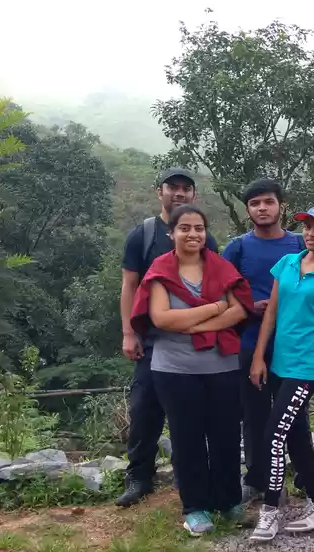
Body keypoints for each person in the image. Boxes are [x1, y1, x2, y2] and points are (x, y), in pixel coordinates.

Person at [129, 204, 253, 535]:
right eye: (185, 228)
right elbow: (162, 319)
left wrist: (194, 325)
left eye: (199, 228)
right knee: (187, 438)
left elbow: (238, 311)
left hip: (222, 365)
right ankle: (195, 507)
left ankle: (228, 501)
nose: (193, 234)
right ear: (172, 233)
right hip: (174, 367)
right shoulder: (160, 269)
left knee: (226, 435)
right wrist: (214, 309)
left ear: (205, 232)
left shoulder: (220, 267)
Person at [247, 204, 314, 541]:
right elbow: (272, 313)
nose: (311, 233)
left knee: (273, 435)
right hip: (277, 362)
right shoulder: (288, 264)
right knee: (295, 436)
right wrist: (258, 357)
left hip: (305, 368)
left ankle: (271, 511)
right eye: (307, 227)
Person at [117, 168, 219, 508]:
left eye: (185, 189)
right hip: (151, 339)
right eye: (172, 187)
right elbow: (129, 286)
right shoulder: (143, 235)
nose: (179, 193)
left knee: (191, 412)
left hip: (191, 342)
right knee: (146, 408)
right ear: (158, 191)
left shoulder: (205, 239)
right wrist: (129, 332)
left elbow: (214, 284)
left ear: (194, 196)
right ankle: (139, 477)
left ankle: (186, 475)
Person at [222, 178, 305, 504]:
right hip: (250, 342)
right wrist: (246, 308)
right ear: (248, 210)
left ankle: (303, 474)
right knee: (254, 415)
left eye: (268, 202)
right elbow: (222, 291)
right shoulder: (237, 247)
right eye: (255, 203)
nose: (262, 208)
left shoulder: (300, 244)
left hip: (292, 344)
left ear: (280, 206)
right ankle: (258, 480)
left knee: (295, 412)